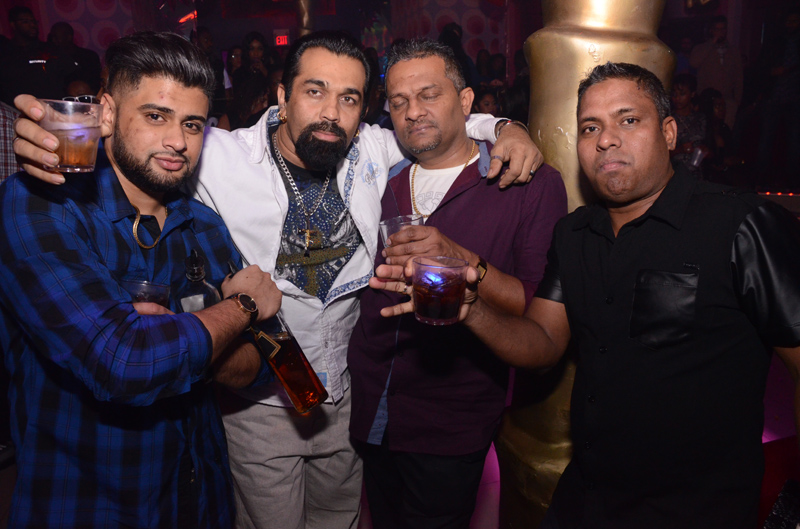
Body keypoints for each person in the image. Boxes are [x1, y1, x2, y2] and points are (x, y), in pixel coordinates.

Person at [11, 30, 543, 529]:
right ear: (283, 98)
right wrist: (61, 143)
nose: (331, 112)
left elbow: (432, 122)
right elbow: (132, 162)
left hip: (339, 398)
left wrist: (505, 129)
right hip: (257, 412)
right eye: (315, 91)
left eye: (350, 98)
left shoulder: (368, 150)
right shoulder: (217, 157)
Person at [373, 61, 800, 529]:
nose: (606, 139)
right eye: (590, 127)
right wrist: (471, 309)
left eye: (628, 120)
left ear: (669, 132)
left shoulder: (740, 225)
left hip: (698, 509)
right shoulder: (575, 235)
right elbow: (541, 345)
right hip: (587, 498)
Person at [0, 31, 282, 528]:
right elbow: (124, 363)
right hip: (87, 508)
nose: (177, 141)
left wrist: (179, 342)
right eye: (156, 116)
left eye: (192, 124)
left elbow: (266, 360)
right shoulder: (38, 205)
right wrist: (239, 309)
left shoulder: (203, 224)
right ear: (106, 113)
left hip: (201, 502)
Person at [347, 38, 567, 528]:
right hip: (370, 407)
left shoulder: (525, 184)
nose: (413, 112)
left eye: (429, 95)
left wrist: (460, 259)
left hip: (449, 420)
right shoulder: (376, 175)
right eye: (399, 102)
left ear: (466, 101)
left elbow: (534, 311)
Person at [0, 6, 69, 105]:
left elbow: (70, 76)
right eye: (25, 22)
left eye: (34, 21)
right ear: (13, 25)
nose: (32, 25)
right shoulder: (5, 53)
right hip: (15, 110)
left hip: (51, 109)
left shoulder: (51, 49)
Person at [690, 16, 743, 127]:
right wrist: (712, 42)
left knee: (726, 130)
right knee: (706, 129)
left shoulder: (733, 51)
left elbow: (739, 78)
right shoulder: (701, 48)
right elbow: (694, 63)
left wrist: (737, 101)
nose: (720, 32)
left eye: (723, 29)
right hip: (706, 100)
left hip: (727, 100)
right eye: (717, 29)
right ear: (712, 30)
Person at [47, 21, 102, 95]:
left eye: (56, 37)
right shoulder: (51, 59)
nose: (53, 41)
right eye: (52, 37)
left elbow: (96, 84)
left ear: (68, 37)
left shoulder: (88, 57)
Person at [669, 73, 707, 177]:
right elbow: (659, 154)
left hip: (697, 175)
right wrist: (680, 150)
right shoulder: (668, 119)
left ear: (692, 94)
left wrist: (704, 151)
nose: (677, 98)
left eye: (682, 94)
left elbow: (711, 149)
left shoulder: (701, 118)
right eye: (674, 94)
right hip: (675, 174)